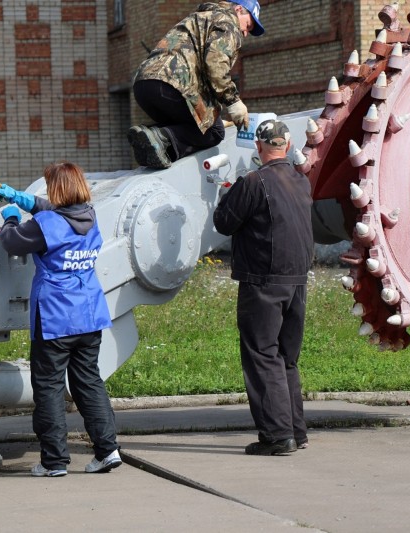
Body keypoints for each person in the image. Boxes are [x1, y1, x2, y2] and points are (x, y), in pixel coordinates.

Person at [0, 163, 122, 477]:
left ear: (58, 191)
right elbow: (53, 211)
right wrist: (23, 199)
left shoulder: (47, 224)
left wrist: (9, 217)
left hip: (55, 318)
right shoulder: (89, 216)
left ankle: (54, 462)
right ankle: (108, 451)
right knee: (89, 383)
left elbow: (12, 242)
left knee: (49, 388)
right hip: (89, 314)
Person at [213, 119, 314, 456]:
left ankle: (276, 436)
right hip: (297, 282)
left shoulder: (253, 182)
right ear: (286, 145)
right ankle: (296, 431)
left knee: (262, 354)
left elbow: (224, 221)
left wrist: (223, 191)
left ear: (258, 147)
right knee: (286, 358)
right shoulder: (301, 182)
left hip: (263, 282)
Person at [128, 0, 265, 169]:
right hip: (172, 85)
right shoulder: (228, 22)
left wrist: (213, 116)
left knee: (187, 126)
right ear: (238, 10)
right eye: (248, 25)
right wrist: (233, 101)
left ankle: (148, 138)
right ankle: (159, 136)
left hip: (143, 86)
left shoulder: (199, 17)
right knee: (214, 132)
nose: (245, 33)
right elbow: (215, 64)